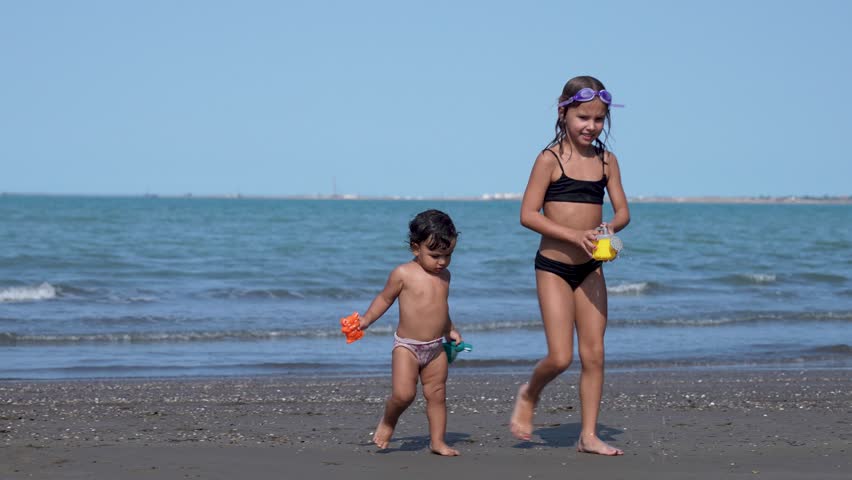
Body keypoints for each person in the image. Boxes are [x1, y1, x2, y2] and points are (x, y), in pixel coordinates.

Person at [509, 75, 630, 456]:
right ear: (564, 113)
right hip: (554, 267)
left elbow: (623, 210)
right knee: (561, 356)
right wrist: (572, 235)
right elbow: (528, 214)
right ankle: (529, 393)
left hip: (591, 268)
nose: (591, 126)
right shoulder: (550, 159)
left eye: (598, 119)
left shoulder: (607, 161)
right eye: (583, 118)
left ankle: (588, 436)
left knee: (594, 354)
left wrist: (611, 226)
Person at [358, 209, 463, 456]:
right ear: (416, 248)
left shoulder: (445, 276)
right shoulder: (403, 274)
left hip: (436, 347)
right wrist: (366, 319)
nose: (442, 262)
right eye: (435, 255)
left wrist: (451, 329)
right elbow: (384, 299)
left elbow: (441, 307)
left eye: (448, 255)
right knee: (404, 394)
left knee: (437, 395)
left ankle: (437, 442)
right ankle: (388, 421)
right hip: (407, 346)